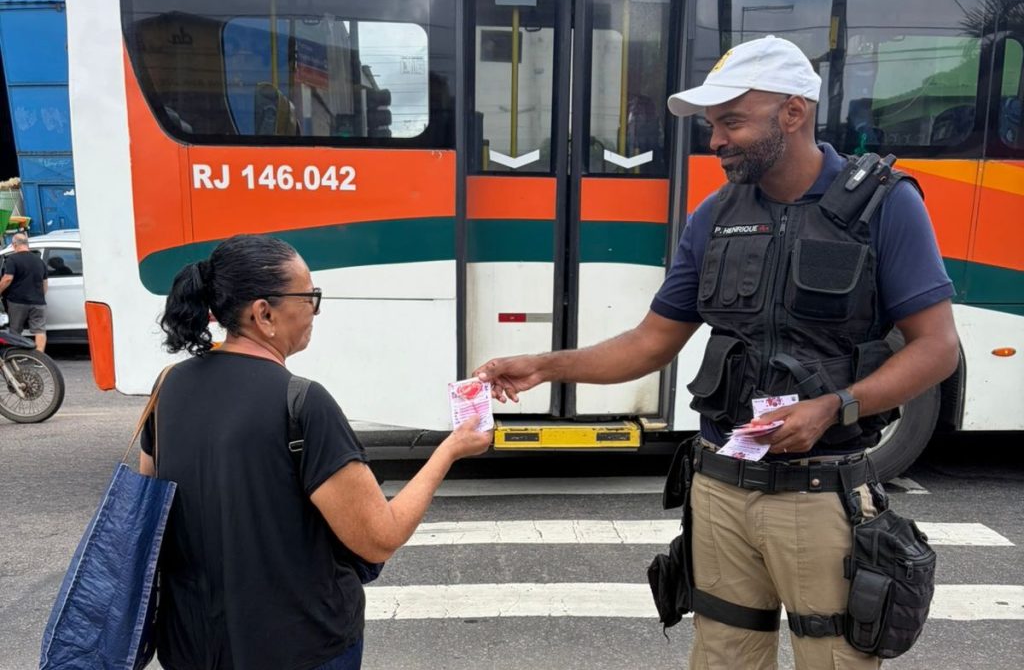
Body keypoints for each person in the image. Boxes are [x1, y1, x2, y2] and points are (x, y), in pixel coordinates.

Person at [475, 36, 959, 669]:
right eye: (713, 125)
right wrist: (544, 366)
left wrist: (835, 407)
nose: (716, 141)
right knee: (723, 658)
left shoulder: (884, 205)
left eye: (732, 121)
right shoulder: (712, 217)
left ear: (793, 113)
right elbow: (651, 341)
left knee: (834, 659)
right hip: (720, 492)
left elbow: (937, 348)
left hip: (821, 499)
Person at [140, 234, 492, 670]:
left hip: (191, 645)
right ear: (264, 313)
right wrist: (450, 450)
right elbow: (379, 538)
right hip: (300, 646)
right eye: (310, 296)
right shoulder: (301, 402)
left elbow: (154, 504)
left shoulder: (168, 386)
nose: (316, 309)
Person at [0, 233, 49, 351]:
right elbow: (45, 283)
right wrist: (40, 296)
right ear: (27, 244)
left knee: (15, 331)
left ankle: (17, 356)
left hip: (18, 301)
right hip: (38, 302)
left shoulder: (12, 259)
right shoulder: (40, 261)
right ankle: (40, 358)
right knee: (40, 330)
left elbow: (7, 279)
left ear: (14, 245)